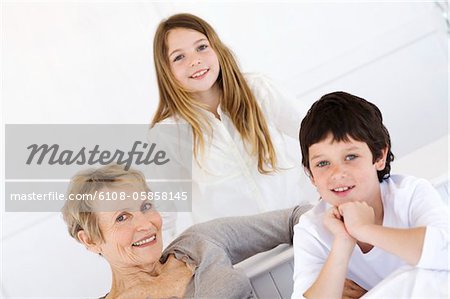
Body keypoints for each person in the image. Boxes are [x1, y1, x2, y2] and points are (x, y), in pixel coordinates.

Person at [148, 13, 310, 240]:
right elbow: (163, 214)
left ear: (217, 48)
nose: (194, 60)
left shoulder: (258, 90)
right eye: (179, 57)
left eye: (201, 47)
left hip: (301, 232)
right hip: (238, 254)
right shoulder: (168, 135)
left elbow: (317, 137)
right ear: (167, 71)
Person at [62, 164, 312, 298]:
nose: (146, 224)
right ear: (91, 239)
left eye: (146, 206)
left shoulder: (198, 243)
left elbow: (296, 218)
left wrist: (322, 275)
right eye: (122, 217)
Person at [291, 92, 449, 298]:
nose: (337, 173)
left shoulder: (411, 193)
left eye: (351, 156)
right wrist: (344, 240)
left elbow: (445, 252)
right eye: (322, 163)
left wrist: (364, 229)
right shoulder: (311, 229)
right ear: (310, 174)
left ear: (379, 157)